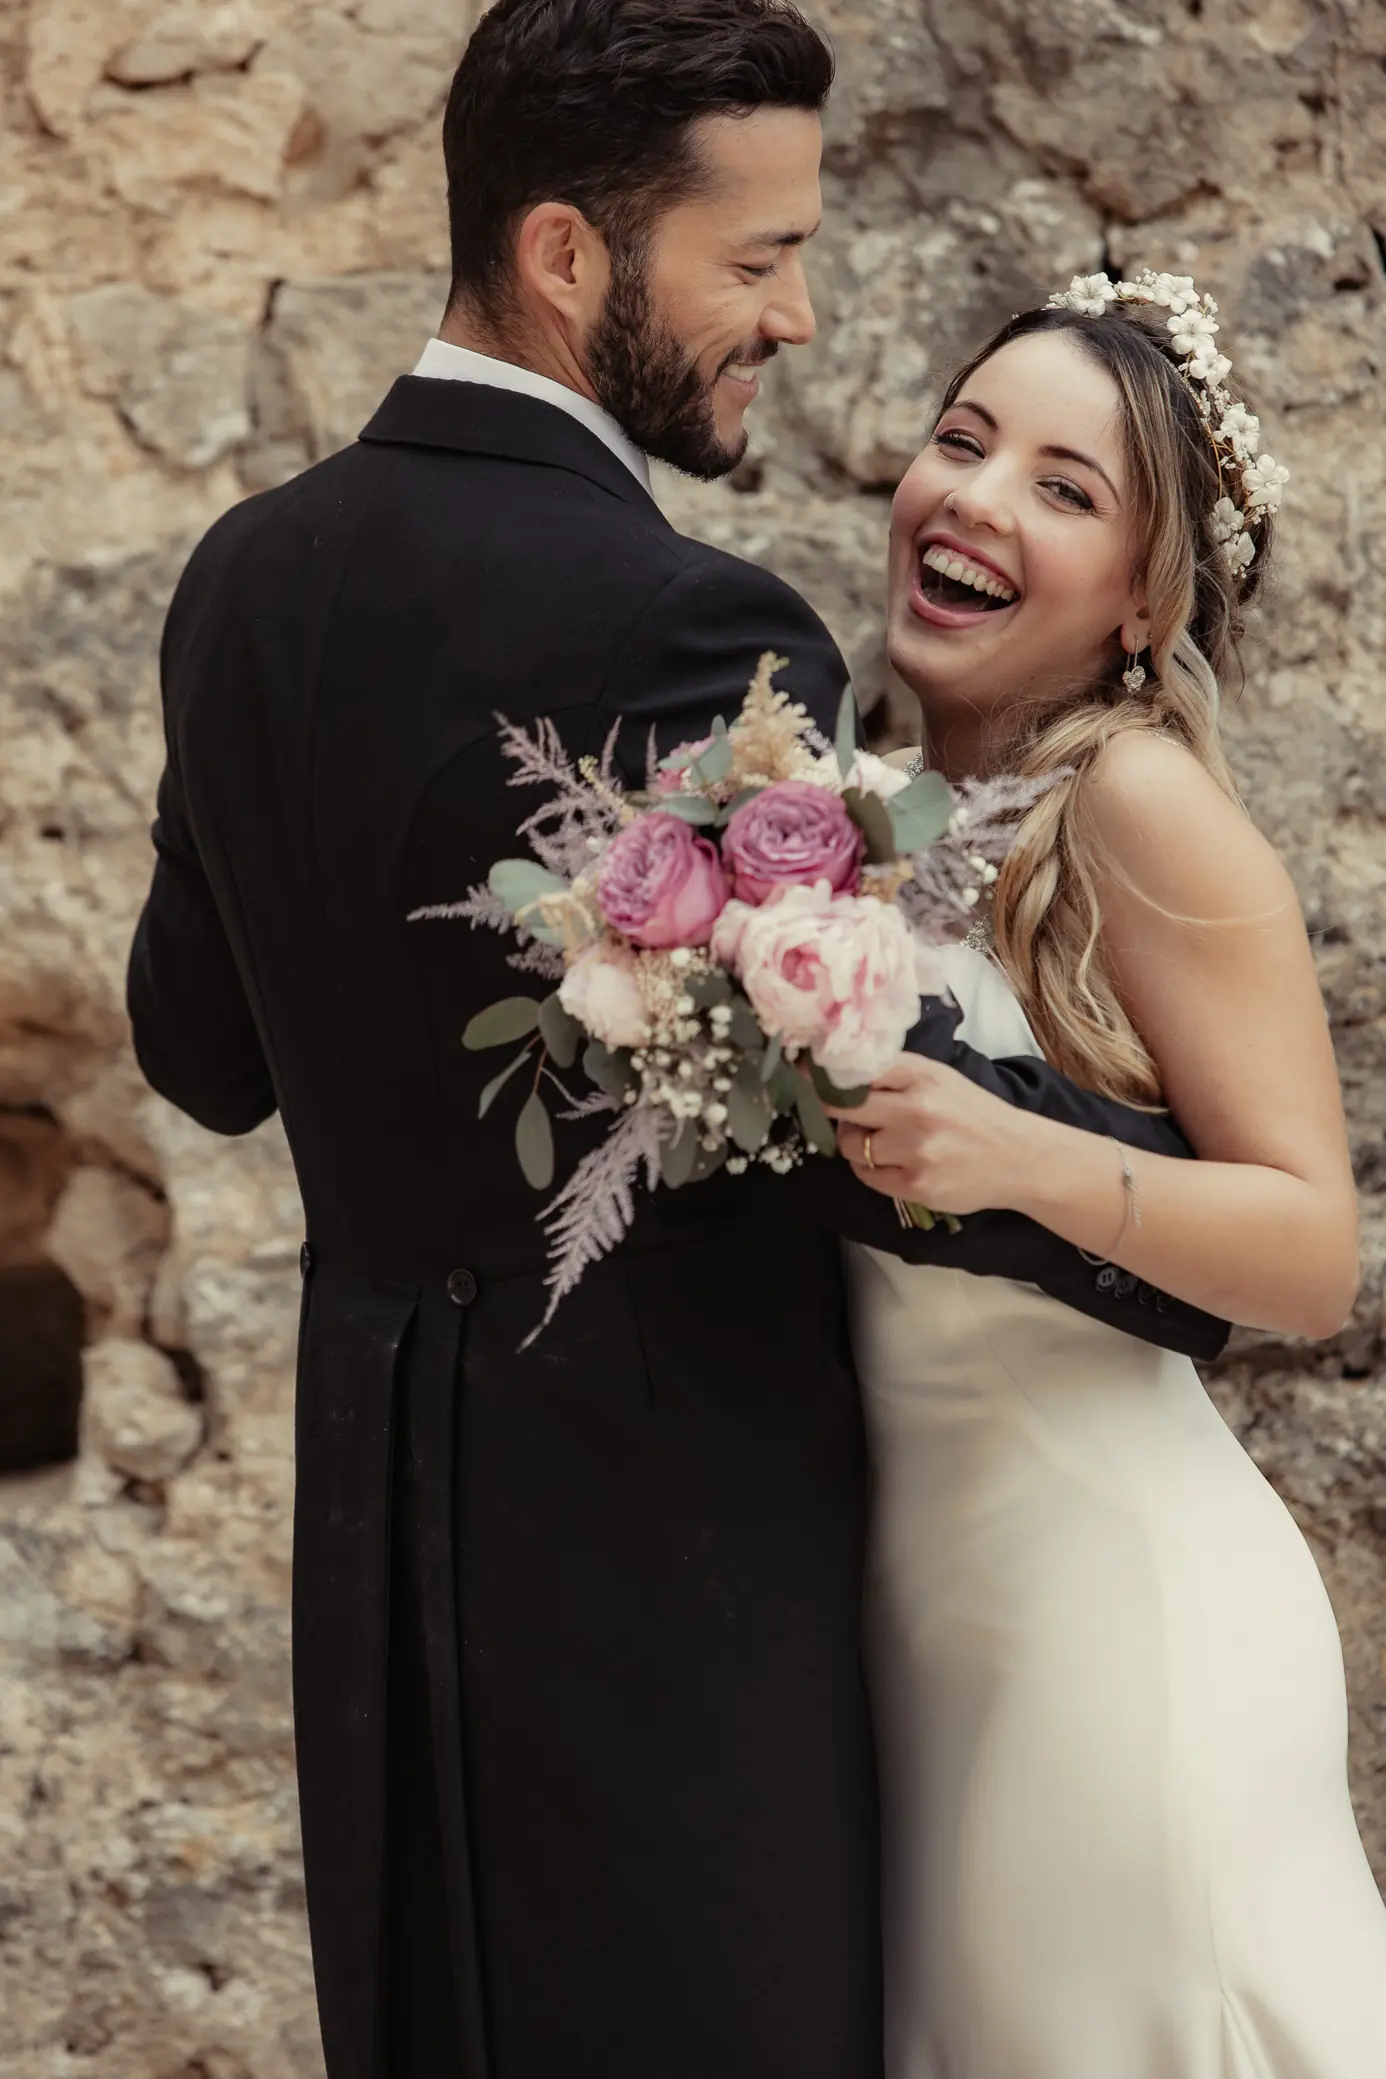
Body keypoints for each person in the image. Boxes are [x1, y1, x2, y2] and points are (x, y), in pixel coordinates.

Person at [127, 8, 1226, 2073]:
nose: (801, 316)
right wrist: (1161, 1249)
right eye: (757, 257)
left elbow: (201, 1055)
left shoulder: (236, 586)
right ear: (568, 258)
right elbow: (837, 1110)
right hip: (667, 1582)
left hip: (377, 1551)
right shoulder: (686, 624)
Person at [830, 274, 1386, 2074]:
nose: (976, 499)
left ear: (1146, 601)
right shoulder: (837, 815)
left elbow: (1310, 1254)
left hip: (1114, 1623)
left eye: (1065, 488)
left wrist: (1019, 1153)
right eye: (963, 440)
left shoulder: (1132, 807)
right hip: (931, 1634)